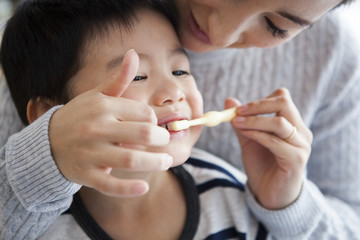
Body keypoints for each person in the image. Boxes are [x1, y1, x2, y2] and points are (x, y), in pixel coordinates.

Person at [1, 0, 360, 239]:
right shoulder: (41, 223)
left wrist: (286, 205)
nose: (220, 35)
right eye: (138, 76)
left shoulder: (228, 195)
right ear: (47, 117)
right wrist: (44, 158)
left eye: (180, 69)